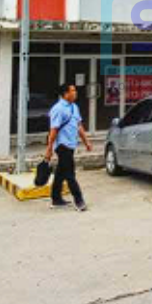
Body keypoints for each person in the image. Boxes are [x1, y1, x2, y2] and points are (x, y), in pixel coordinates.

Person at [44, 82, 92, 211]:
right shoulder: (58, 109)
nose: (75, 93)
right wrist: (49, 148)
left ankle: (56, 199)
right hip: (62, 145)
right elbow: (53, 130)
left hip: (71, 144)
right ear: (66, 94)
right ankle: (79, 200)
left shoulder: (74, 107)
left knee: (61, 172)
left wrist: (86, 142)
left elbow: (79, 126)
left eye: (75, 90)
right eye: (73, 91)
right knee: (70, 173)